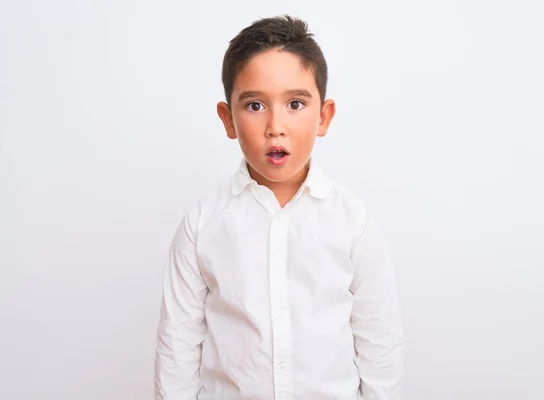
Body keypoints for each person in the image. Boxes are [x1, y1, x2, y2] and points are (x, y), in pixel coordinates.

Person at [154, 15, 403, 400]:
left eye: (295, 104)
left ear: (323, 116)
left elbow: (379, 341)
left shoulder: (352, 220)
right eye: (254, 105)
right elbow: (177, 348)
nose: (275, 126)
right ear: (228, 119)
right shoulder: (203, 224)